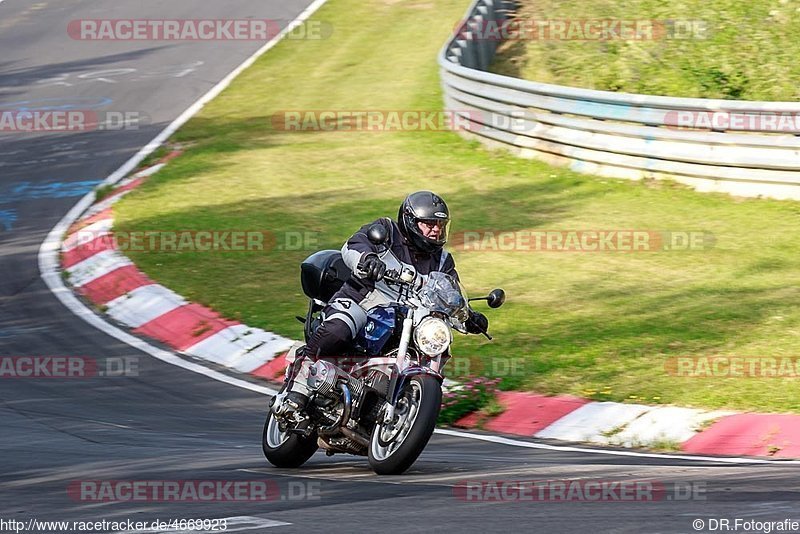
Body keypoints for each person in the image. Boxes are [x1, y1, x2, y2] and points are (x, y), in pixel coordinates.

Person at [276, 190, 489, 417]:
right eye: (429, 223)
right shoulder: (387, 231)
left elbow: (449, 293)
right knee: (339, 328)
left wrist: (468, 317)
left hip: (409, 319)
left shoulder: (443, 260)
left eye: (440, 224)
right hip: (364, 301)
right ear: (410, 221)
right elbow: (353, 245)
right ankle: (299, 383)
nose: (436, 229)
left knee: (436, 342)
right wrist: (368, 260)